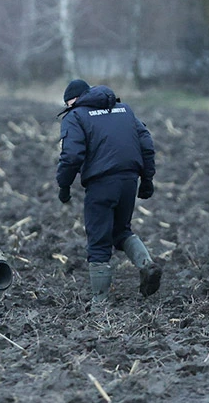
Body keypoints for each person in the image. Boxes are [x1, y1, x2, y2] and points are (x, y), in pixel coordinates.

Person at [55, 78, 162, 304]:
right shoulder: (124, 110)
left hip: (101, 183)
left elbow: (71, 155)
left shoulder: (75, 116)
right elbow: (146, 143)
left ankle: (100, 302)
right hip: (129, 179)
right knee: (121, 230)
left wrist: (64, 184)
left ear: (74, 100)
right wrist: (147, 179)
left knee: (98, 239)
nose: (68, 107)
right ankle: (146, 264)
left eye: (68, 103)